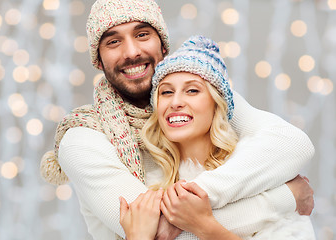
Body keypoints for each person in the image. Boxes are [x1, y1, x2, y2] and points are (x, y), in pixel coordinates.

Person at [39, 0, 315, 239]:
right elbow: (159, 232)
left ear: (163, 45)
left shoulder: (199, 95)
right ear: (98, 60)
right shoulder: (82, 138)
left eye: (143, 34)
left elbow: (293, 144)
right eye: (113, 41)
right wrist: (286, 197)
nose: (131, 51)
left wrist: (195, 199)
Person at [119, 35, 315, 239]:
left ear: (216, 105)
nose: (175, 102)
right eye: (166, 92)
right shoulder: (146, 186)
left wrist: (203, 224)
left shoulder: (257, 172)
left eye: (192, 90)